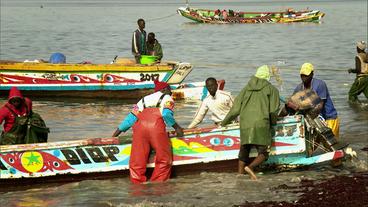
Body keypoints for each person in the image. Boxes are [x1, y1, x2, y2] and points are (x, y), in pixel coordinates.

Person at [112, 80, 184, 184]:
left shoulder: (143, 100)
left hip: (139, 129)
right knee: (164, 157)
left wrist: (115, 135)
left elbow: (131, 119)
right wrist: (177, 128)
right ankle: (158, 182)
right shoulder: (167, 98)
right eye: (169, 89)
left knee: (137, 158)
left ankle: (137, 183)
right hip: (155, 128)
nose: (171, 92)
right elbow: (166, 114)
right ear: (163, 90)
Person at [221, 65, 280, 180]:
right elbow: (273, 111)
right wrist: (273, 123)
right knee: (264, 152)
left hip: (245, 124)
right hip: (261, 124)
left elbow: (235, 109)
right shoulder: (272, 90)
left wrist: (224, 123)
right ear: (268, 76)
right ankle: (251, 167)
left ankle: (240, 175)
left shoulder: (246, 89)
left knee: (244, 151)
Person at [294, 63, 340, 138]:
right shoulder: (299, 88)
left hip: (329, 118)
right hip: (314, 120)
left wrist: (307, 118)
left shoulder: (320, 84)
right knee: (312, 146)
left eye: (306, 75)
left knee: (331, 144)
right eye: (302, 75)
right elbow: (292, 104)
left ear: (312, 74)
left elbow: (319, 106)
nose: (304, 78)